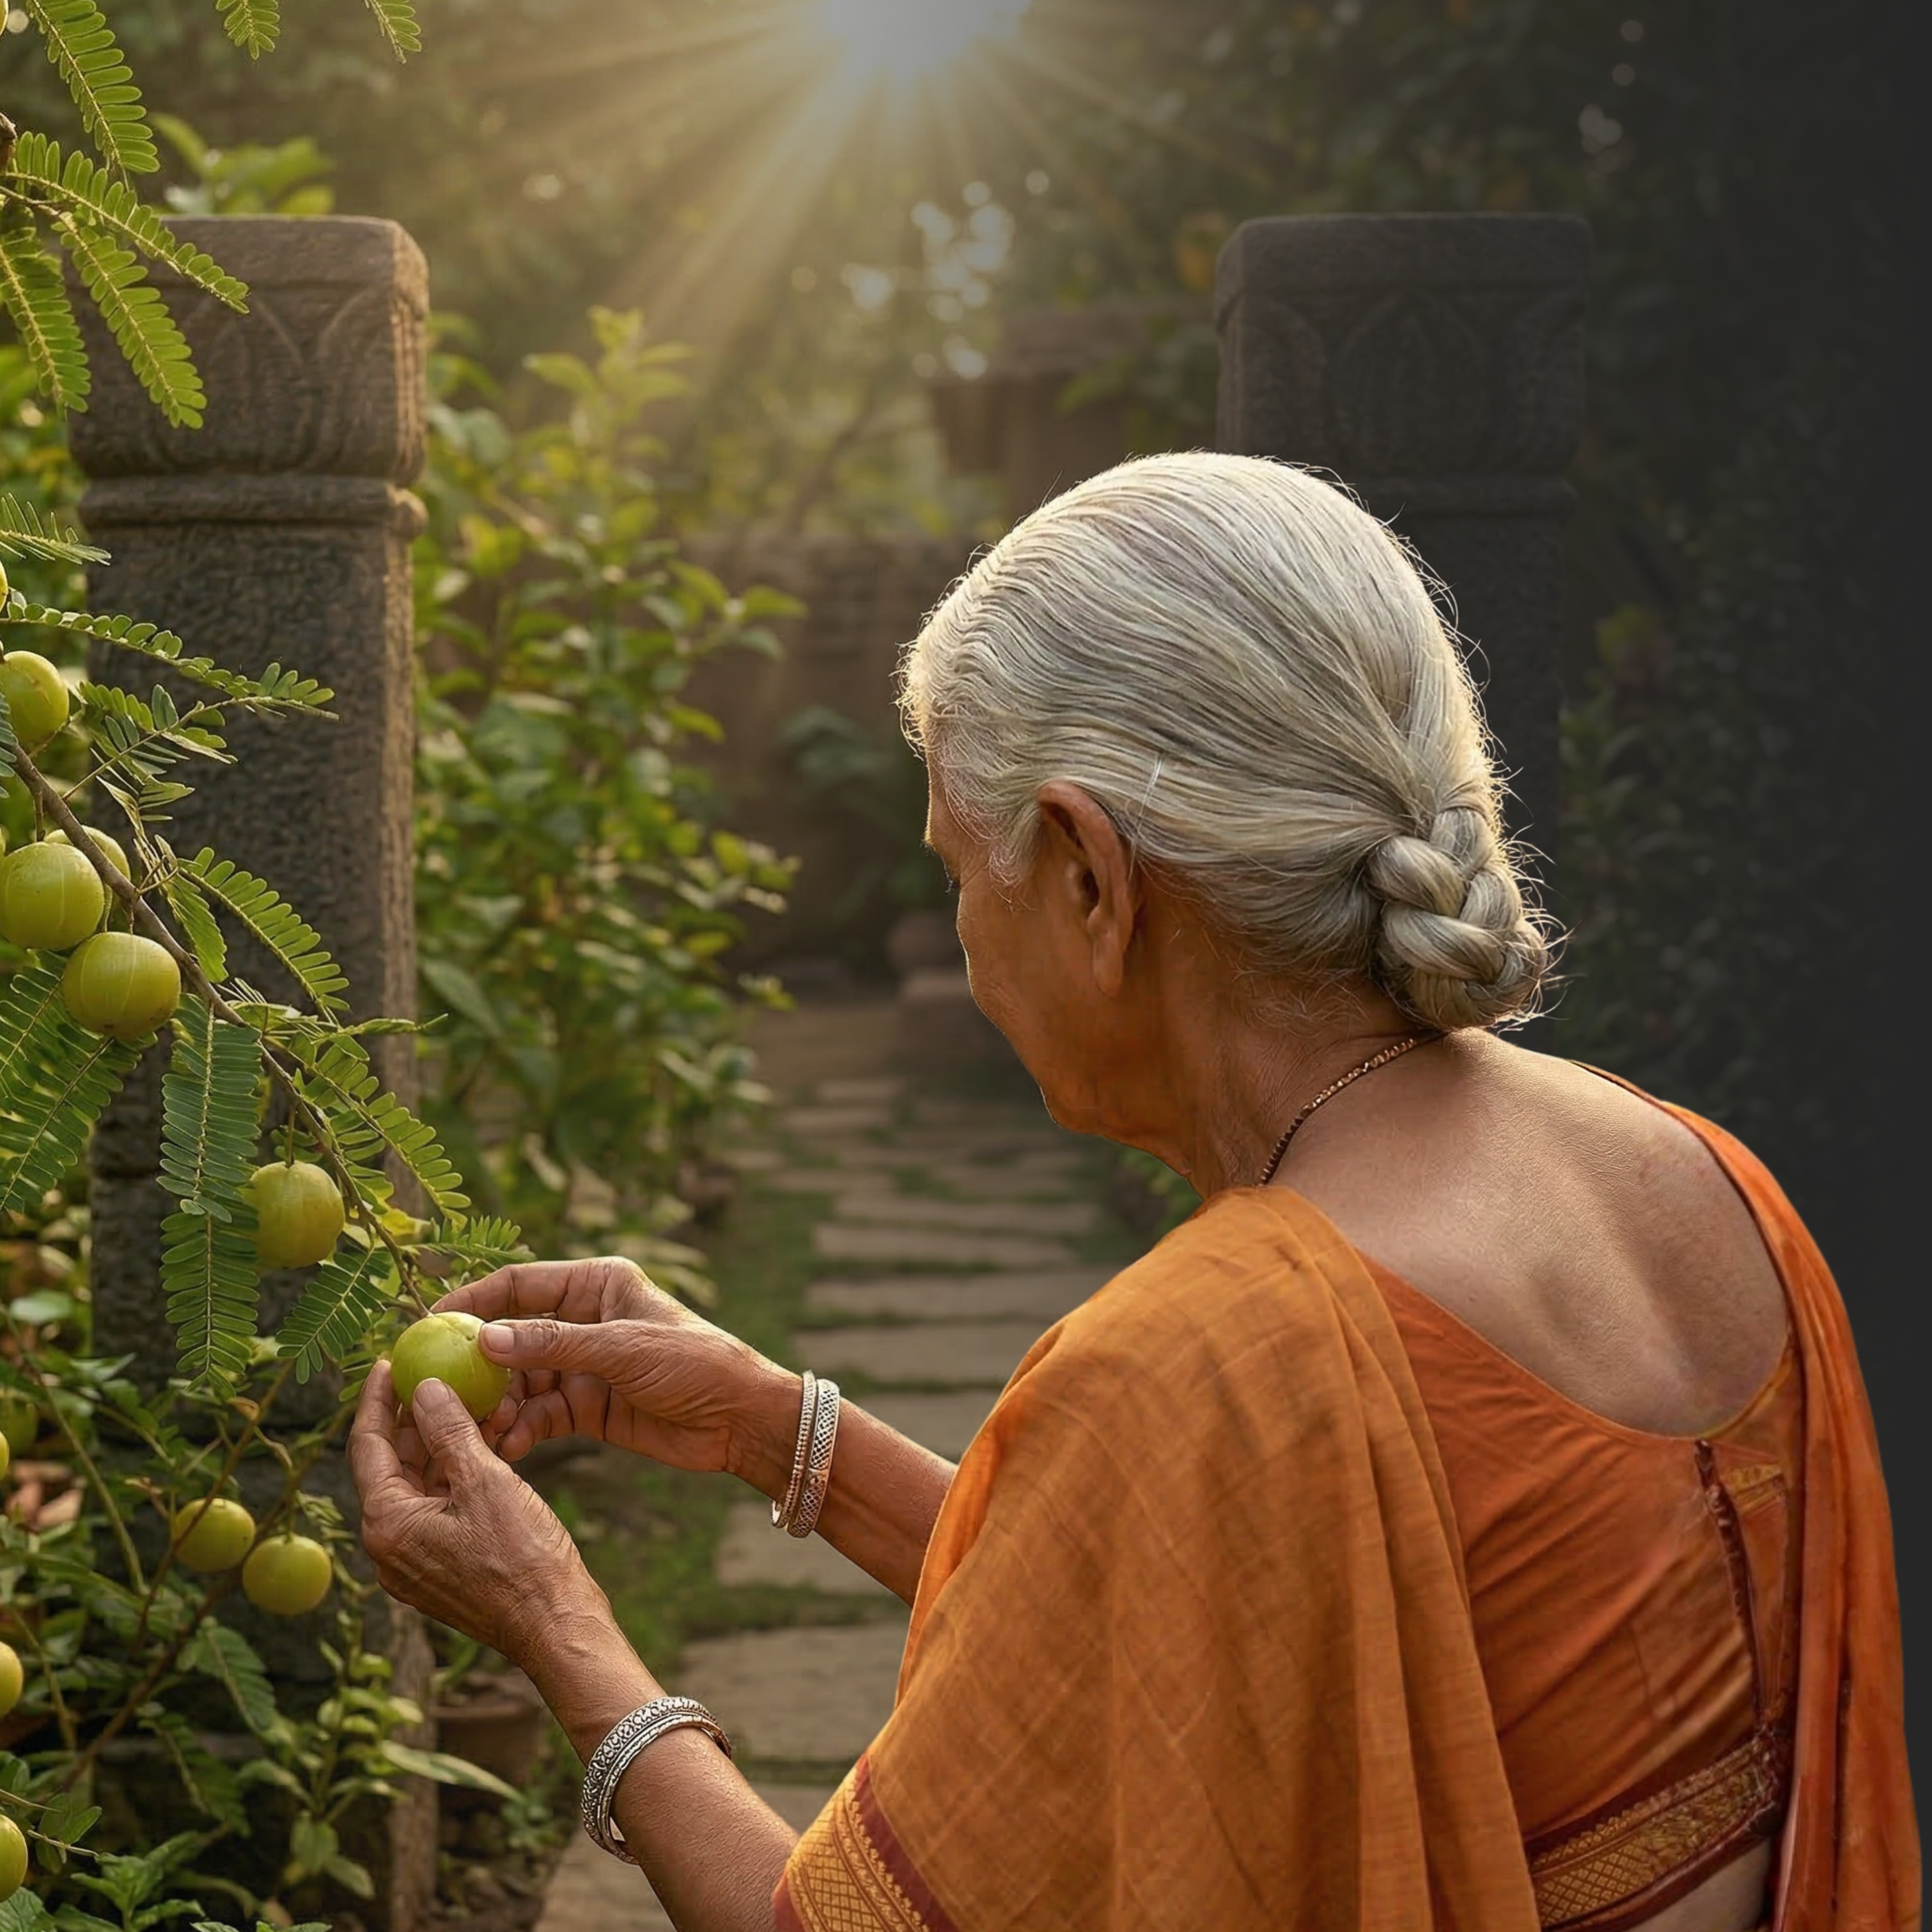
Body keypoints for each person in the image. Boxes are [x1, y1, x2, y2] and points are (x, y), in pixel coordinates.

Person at [353, 454, 1917, 1932]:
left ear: (1090, 879)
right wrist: (776, 1428)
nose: (962, 935)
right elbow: (1176, 1615)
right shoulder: (1702, 1182)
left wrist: (554, 1619)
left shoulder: (1207, 1355)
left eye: (958, 869)